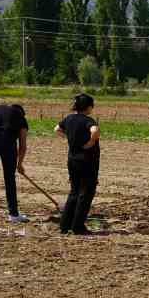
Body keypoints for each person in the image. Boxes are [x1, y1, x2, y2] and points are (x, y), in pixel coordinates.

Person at [54, 94, 100, 235]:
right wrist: (90, 143)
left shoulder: (69, 119)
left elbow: (56, 129)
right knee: (86, 193)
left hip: (72, 159)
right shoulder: (88, 120)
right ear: (88, 107)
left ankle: (64, 225)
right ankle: (78, 226)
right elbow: (95, 131)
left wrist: (69, 137)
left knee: (74, 191)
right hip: (87, 161)